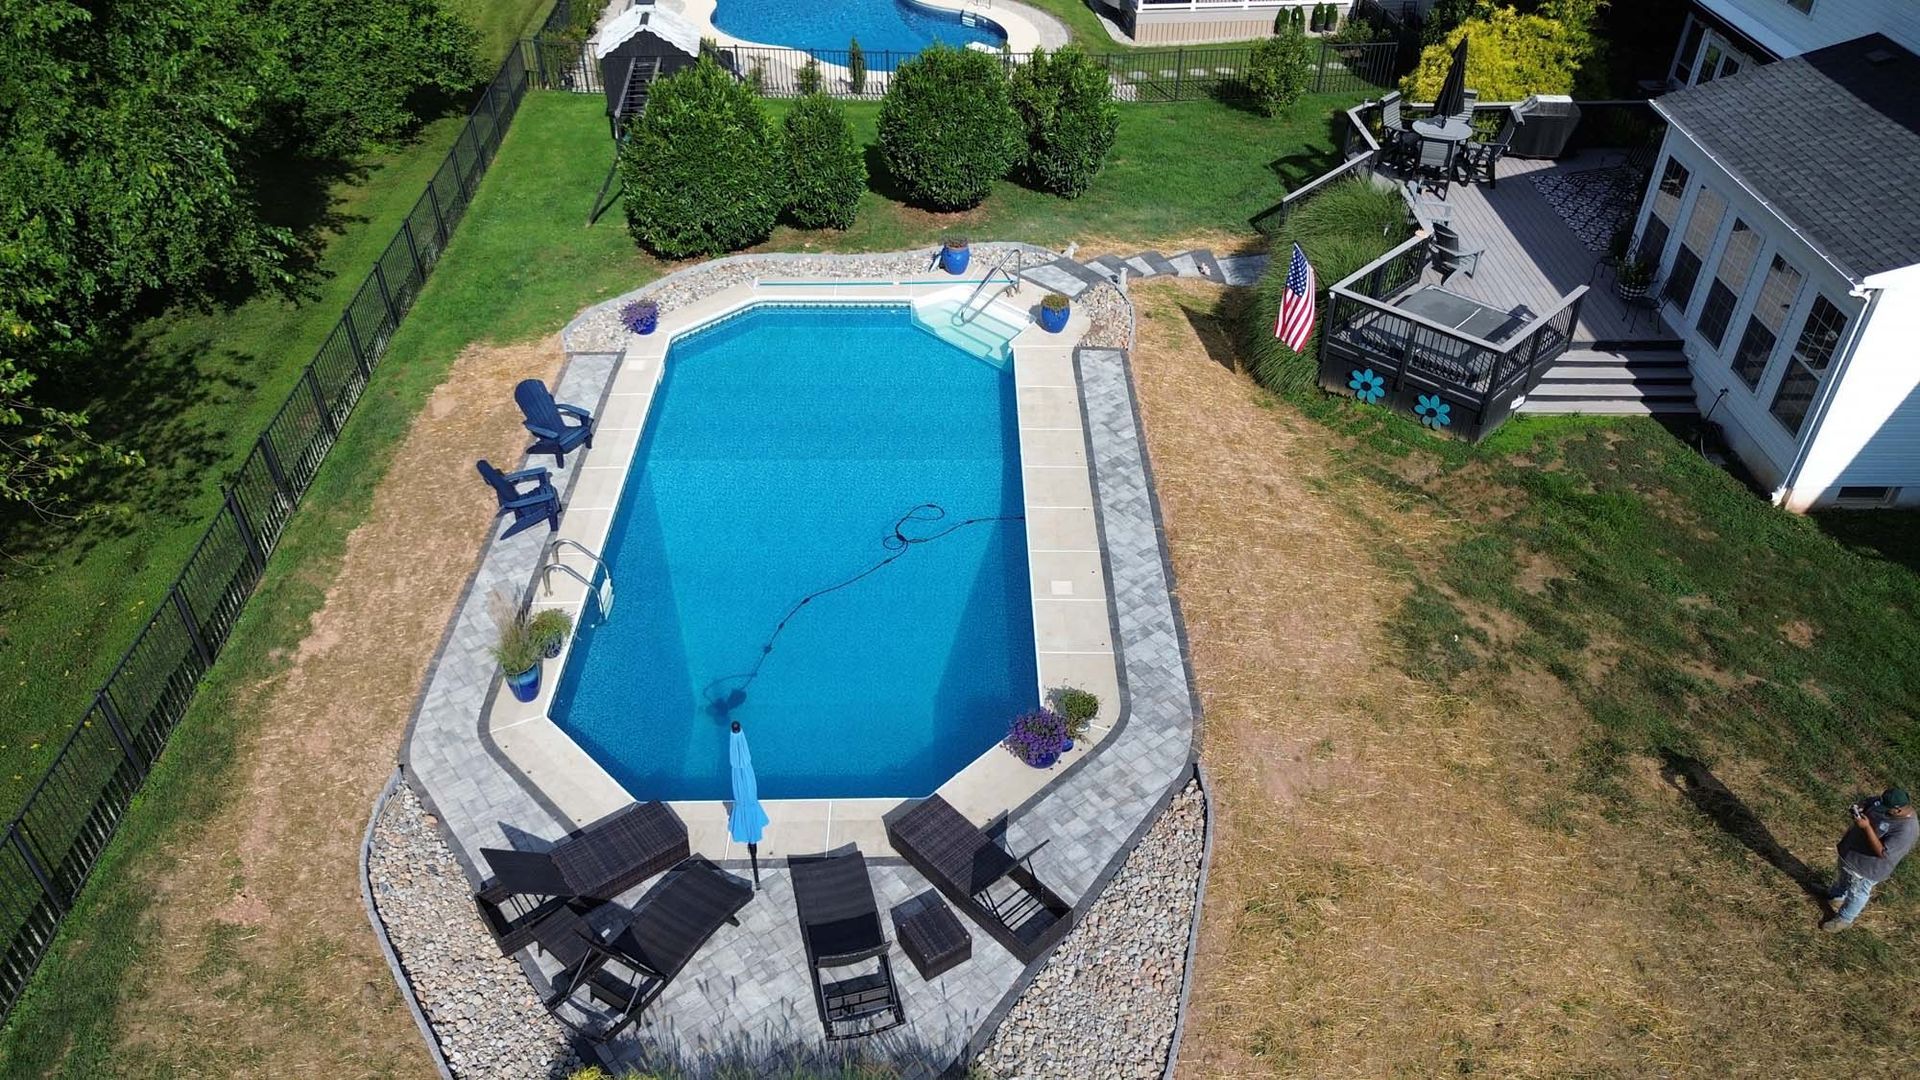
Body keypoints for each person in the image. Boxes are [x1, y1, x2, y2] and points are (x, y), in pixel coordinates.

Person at [1823, 786, 1916, 931]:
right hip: (1851, 854)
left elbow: (1883, 853)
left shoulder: (1907, 830)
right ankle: (1836, 897)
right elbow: (1869, 801)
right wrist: (1860, 807)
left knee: (1858, 892)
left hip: (1866, 868)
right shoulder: (1883, 803)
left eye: (1886, 808)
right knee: (1844, 878)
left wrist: (1866, 827)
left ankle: (1845, 919)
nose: (1880, 806)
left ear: (1898, 810)